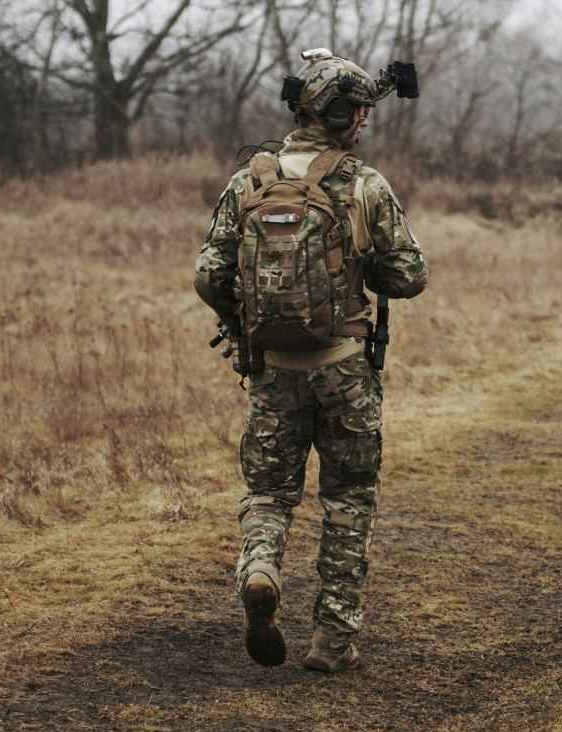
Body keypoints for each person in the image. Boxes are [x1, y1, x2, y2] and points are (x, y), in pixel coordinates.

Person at [194, 49, 427, 672]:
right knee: (348, 499)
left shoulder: (249, 181)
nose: (367, 124)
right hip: (346, 368)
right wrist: (362, 265)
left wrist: (243, 329)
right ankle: (332, 642)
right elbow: (409, 276)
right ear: (345, 115)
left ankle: (262, 568)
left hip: (272, 370)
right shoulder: (363, 184)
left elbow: (208, 273)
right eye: (362, 114)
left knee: (268, 491)